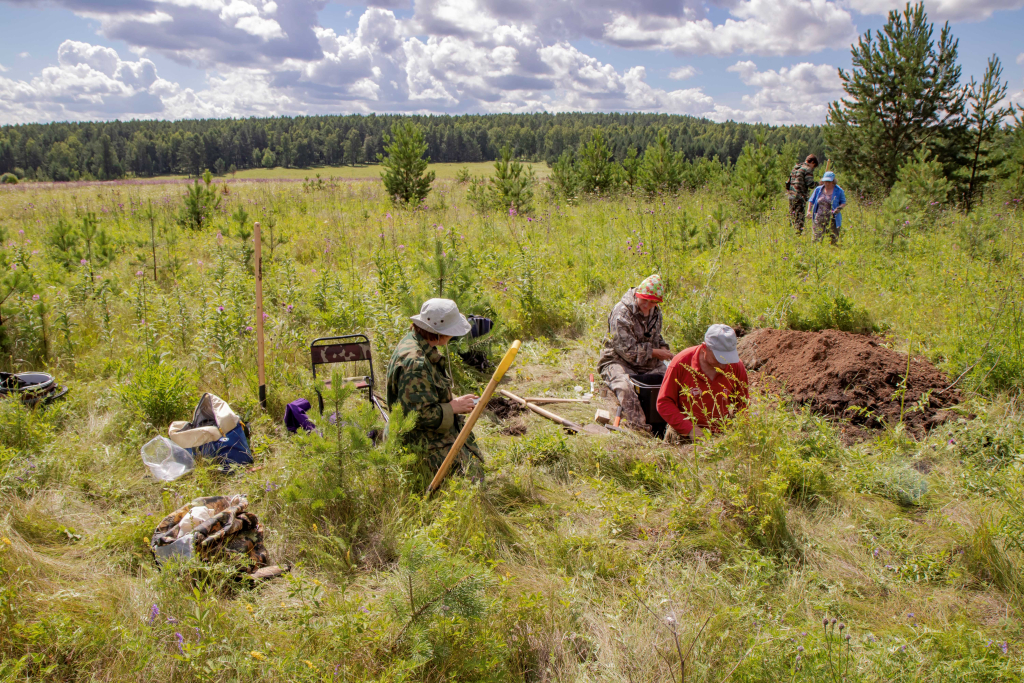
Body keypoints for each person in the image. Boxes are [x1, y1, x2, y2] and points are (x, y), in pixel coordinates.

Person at [386, 298, 482, 480]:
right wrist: (453, 407)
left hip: (423, 433)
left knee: (471, 457)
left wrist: (454, 403)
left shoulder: (416, 340)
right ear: (438, 332)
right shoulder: (416, 364)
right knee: (472, 478)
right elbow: (417, 415)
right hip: (418, 443)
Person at [598, 274, 673, 432]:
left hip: (647, 362)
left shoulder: (655, 313)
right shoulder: (621, 314)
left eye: (652, 302)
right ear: (637, 294)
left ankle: (672, 427)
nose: (646, 305)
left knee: (671, 382)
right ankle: (641, 431)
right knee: (626, 390)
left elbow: (656, 336)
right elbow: (627, 351)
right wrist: (656, 352)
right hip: (618, 360)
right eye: (643, 299)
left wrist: (663, 348)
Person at [656, 324, 749, 443]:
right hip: (683, 433)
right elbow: (664, 402)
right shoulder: (681, 363)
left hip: (722, 434)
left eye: (727, 357)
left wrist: (742, 435)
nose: (724, 364)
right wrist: (690, 429)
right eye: (719, 358)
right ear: (704, 347)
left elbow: (742, 404)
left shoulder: (736, 366)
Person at [807, 171, 847, 245]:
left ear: (833, 181)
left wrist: (839, 208)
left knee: (833, 239)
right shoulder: (818, 189)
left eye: (829, 181)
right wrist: (808, 211)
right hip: (819, 217)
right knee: (816, 239)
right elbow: (811, 200)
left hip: (832, 218)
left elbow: (843, 202)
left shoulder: (839, 191)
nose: (827, 183)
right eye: (825, 181)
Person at [786, 154, 819, 234]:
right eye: (814, 166)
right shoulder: (807, 169)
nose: (813, 168)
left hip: (791, 196)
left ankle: (790, 234)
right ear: (812, 162)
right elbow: (810, 184)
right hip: (800, 197)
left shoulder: (795, 168)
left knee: (792, 216)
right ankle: (798, 235)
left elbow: (787, 183)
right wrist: (819, 184)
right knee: (799, 218)